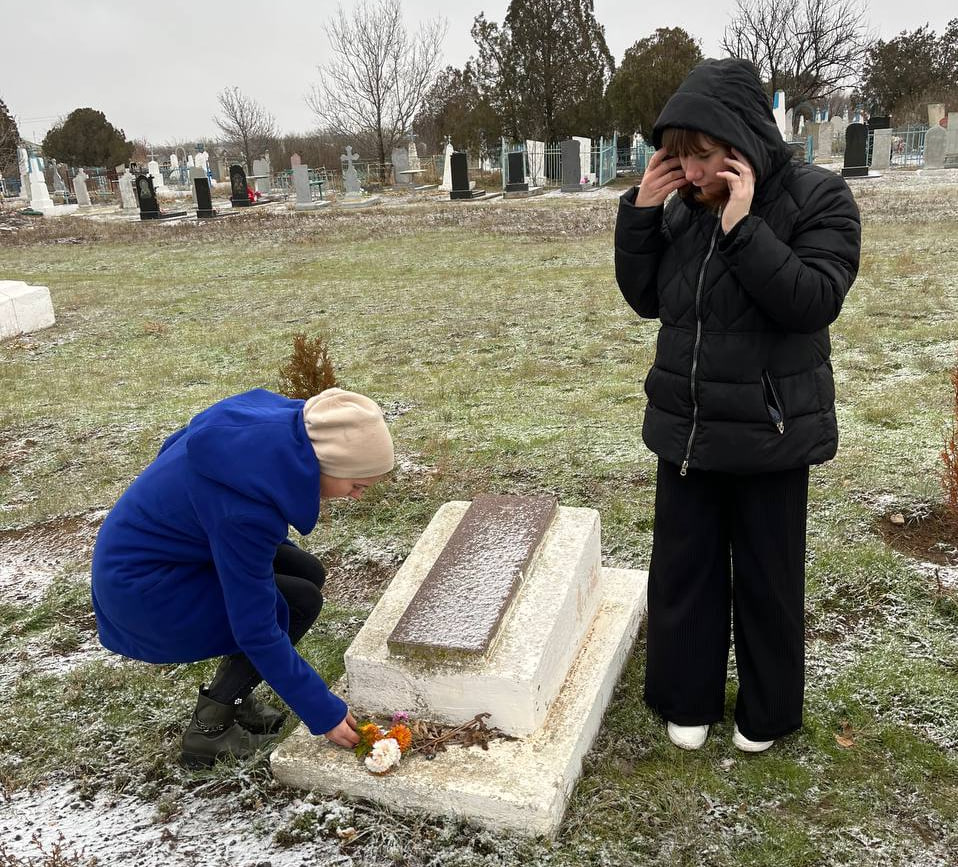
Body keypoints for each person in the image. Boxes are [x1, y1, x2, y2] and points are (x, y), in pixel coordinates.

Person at [614, 59, 861, 752]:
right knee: (684, 569)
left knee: (767, 575)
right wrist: (639, 215)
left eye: (702, 154)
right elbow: (647, 299)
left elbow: (813, 301)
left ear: (743, 139)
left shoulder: (821, 198)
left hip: (770, 428)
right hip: (687, 425)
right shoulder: (679, 209)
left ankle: (768, 710)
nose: (690, 173)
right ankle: (684, 697)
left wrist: (745, 225)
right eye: (679, 156)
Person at [91, 387, 394, 768]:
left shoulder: (265, 429)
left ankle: (235, 690)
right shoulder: (243, 515)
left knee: (305, 572)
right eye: (356, 485)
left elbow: (173, 449)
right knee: (295, 604)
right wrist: (323, 711)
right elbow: (256, 627)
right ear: (321, 463)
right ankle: (209, 729)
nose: (357, 497)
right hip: (146, 595)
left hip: (160, 562)